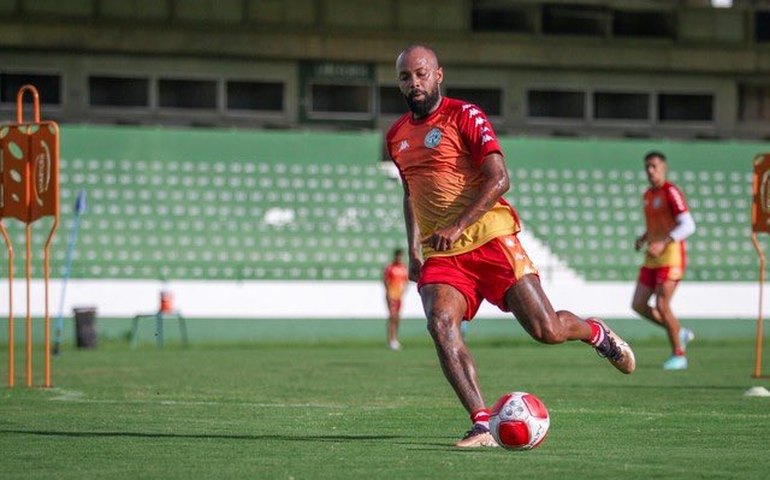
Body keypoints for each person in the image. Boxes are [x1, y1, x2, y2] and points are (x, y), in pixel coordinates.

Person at [385, 44, 636, 448]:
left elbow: (500, 179)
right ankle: (481, 423)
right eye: (404, 77)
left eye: (421, 73)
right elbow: (410, 194)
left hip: (489, 237)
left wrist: (458, 224)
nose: (413, 83)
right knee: (440, 324)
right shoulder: (396, 135)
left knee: (547, 329)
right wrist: (413, 249)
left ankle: (596, 333)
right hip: (442, 253)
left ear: (438, 75)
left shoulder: (464, 115)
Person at [632, 151, 696, 371]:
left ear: (663, 167)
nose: (650, 170)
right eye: (647, 167)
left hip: (671, 257)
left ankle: (679, 354)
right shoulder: (648, 194)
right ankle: (679, 332)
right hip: (652, 258)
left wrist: (665, 242)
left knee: (661, 304)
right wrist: (644, 238)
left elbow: (688, 225)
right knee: (638, 304)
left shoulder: (671, 192)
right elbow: (655, 226)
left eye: (654, 166)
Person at [384, 248, 409, 350]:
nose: (399, 258)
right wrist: (389, 293)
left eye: (401, 256)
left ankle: (395, 338)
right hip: (391, 295)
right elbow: (385, 280)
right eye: (398, 256)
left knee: (397, 318)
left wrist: (403, 291)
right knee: (392, 317)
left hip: (399, 296)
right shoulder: (390, 267)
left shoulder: (404, 267)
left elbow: (406, 281)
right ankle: (391, 340)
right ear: (395, 256)